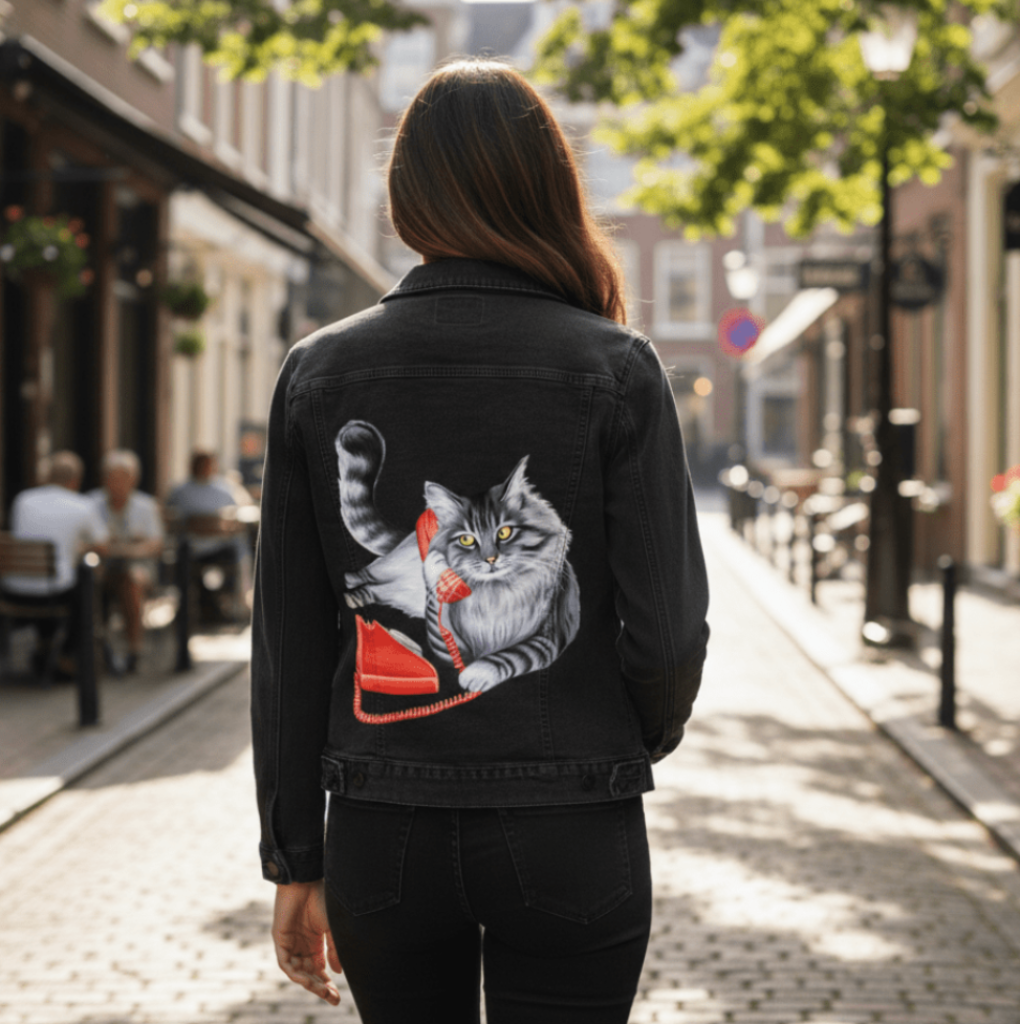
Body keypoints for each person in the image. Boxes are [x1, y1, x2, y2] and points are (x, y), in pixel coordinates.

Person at [252, 59, 710, 1024]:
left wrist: (294, 855)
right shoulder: (617, 368)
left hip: (384, 828)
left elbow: (290, 644)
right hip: (574, 825)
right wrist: (625, 742)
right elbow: (667, 633)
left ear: (406, 196)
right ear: (549, 189)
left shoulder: (319, 371)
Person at [2, 451, 109, 677]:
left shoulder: (23, 500)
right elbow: (103, 545)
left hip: (12, 590)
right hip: (54, 592)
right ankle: (67, 655)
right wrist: (81, 547)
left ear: (46, 476)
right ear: (76, 480)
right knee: (85, 589)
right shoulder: (83, 505)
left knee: (56, 579)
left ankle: (45, 648)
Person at [89, 450, 164, 674]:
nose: (117, 484)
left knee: (131, 582)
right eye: (112, 478)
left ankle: (134, 650)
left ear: (133, 479)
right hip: (102, 569)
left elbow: (155, 544)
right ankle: (97, 648)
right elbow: (89, 542)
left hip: (136, 569)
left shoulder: (146, 505)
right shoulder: (91, 503)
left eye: (123, 478)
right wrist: (130, 544)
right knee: (93, 582)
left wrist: (122, 547)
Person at [167, 450, 253, 621]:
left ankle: (221, 601)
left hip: (213, 549)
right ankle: (216, 602)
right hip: (197, 549)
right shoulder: (222, 490)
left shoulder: (181, 490)